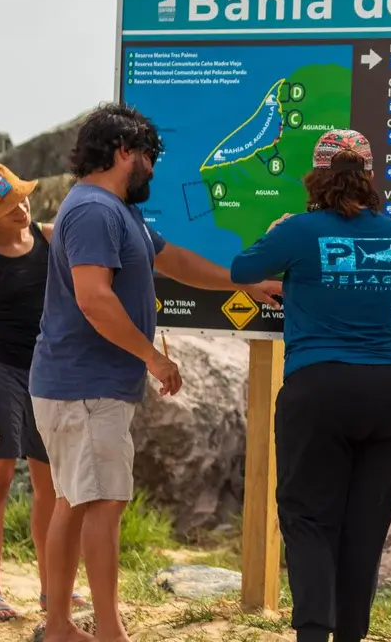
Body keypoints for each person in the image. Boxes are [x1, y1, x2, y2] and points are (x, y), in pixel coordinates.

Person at [30, 103, 281, 642]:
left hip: (79, 385)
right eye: (150, 155)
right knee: (103, 502)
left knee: (76, 501)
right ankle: (109, 632)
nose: (154, 167)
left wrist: (244, 282)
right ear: (124, 152)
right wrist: (153, 357)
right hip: (85, 386)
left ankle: (58, 626)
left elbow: (175, 262)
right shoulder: (95, 212)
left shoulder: (113, 210)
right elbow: (94, 299)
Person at [231, 130, 391, 642]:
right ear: (370, 174)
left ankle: (314, 633)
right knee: (364, 531)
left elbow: (243, 268)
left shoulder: (298, 229)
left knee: (310, 519)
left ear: (315, 176)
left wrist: (276, 239)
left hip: (319, 387)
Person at [0, 164, 87, 621]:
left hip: (48, 374)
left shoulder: (50, 238)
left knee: (50, 485)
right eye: (8, 205)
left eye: (22, 198)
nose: (21, 208)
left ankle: (54, 588)